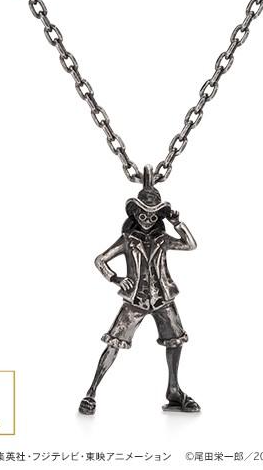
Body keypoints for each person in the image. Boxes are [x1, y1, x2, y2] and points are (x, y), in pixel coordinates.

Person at [78, 166, 200, 414]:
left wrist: (177, 223)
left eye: (153, 216)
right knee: (114, 342)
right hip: (136, 300)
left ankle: (174, 390)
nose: (147, 219)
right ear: (135, 214)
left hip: (163, 297)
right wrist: (115, 278)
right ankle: (91, 392)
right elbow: (100, 260)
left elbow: (190, 244)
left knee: (175, 340)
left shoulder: (163, 239)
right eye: (143, 214)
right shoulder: (127, 240)